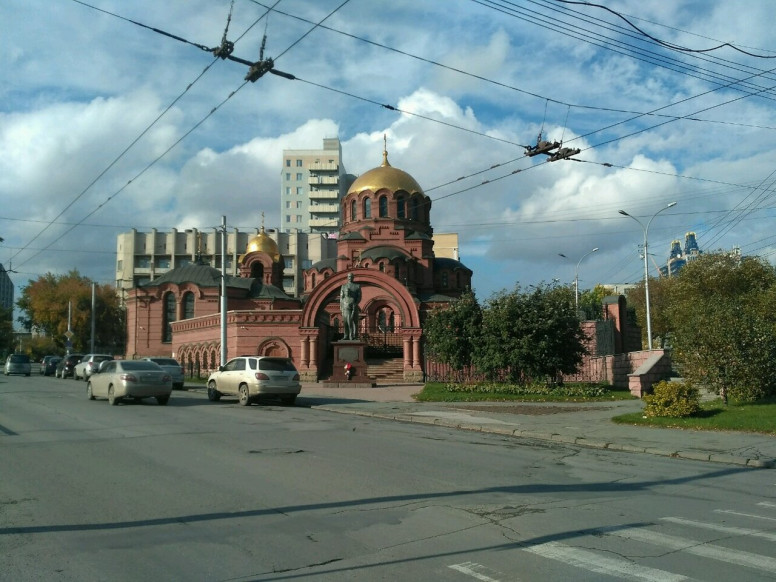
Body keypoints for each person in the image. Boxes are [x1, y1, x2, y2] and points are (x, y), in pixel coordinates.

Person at [339, 272, 361, 340]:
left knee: (354, 322)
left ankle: (354, 336)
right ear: (347, 277)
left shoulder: (357, 286)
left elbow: (359, 297)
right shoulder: (343, 286)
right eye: (349, 277)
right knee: (346, 321)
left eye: (351, 277)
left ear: (353, 277)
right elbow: (341, 298)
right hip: (345, 306)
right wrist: (341, 307)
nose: (350, 278)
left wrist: (355, 303)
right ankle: (346, 335)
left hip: (353, 305)